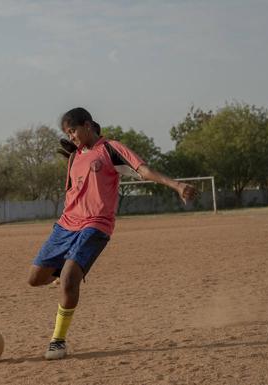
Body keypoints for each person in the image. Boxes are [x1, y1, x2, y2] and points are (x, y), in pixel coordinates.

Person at [28, 107, 197, 360]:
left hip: (96, 224)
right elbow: (73, 193)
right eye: (67, 133)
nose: (71, 136)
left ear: (87, 125)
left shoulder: (111, 149)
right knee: (34, 278)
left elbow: (144, 170)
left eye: (72, 130)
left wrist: (176, 185)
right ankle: (63, 273)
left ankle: (58, 341)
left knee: (69, 279)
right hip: (66, 225)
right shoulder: (74, 157)